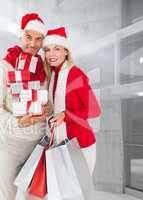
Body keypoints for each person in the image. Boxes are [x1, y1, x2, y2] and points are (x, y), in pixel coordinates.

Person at [0, 12, 51, 200]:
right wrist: (17, 122)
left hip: (38, 144)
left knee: (35, 197)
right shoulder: (5, 67)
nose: (33, 44)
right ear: (20, 35)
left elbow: (48, 102)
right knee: (6, 196)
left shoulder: (45, 69)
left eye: (39, 39)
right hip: (11, 144)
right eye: (29, 37)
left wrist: (48, 109)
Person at [43, 27, 101, 174]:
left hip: (79, 144)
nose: (51, 54)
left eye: (57, 49)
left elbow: (94, 110)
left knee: (79, 192)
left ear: (66, 51)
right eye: (47, 50)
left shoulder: (75, 74)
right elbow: (55, 109)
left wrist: (64, 115)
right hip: (59, 143)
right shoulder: (53, 76)